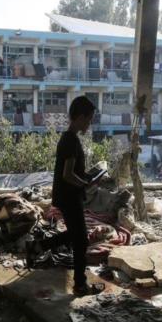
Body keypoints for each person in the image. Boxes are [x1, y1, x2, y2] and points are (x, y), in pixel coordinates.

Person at [27, 96, 104, 296]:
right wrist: (85, 183)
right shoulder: (70, 140)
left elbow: (71, 171)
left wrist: (86, 177)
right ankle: (80, 284)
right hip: (70, 197)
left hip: (67, 195)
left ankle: (38, 246)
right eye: (89, 119)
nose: (89, 124)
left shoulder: (69, 138)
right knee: (81, 240)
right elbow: (68, 175)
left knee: (76, 235)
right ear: (80, 117)